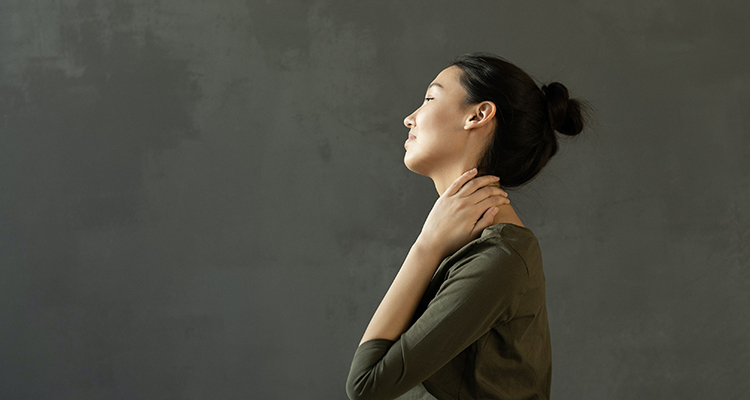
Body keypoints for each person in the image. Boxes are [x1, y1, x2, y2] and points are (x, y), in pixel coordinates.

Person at [345, 53, 587, 400]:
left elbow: (365, 385)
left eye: (430, 98)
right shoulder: (469, 245)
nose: (409, 118)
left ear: (478, 115)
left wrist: (425, 247)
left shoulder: (501, 256)